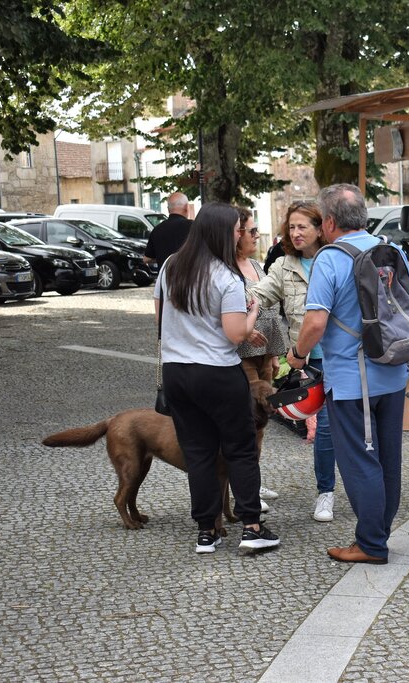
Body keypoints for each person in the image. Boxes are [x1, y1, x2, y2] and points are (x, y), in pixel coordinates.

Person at [288, 183, 409, 564]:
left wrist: (298, 355)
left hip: (351, 380)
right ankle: (379, 534)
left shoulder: (330, 259)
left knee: (360, 461)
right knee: (388, 460)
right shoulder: (391, 250)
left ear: (329, 222)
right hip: (393, 373)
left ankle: (371, 544)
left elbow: (316, 322)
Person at [154, 201, 279, 554]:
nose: (240, 236)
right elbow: (236, 334)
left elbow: (160, 321)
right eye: (237, 231)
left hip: (177, 373)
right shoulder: (225, 276)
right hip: (218, 373)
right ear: (222, 233)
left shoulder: (171, 266)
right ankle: (252, 527)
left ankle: (206, 532)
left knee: (198, 452)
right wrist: (253, 311)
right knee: (240, 450)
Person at [250, 201, 337, 522]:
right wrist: (232, 311)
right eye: (291, 227)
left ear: (320, 228)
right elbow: (258, 296)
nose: (296, 233)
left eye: (303, 226)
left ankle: (355, 488)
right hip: (311, 362)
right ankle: (326, 492)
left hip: (345, 357)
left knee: (344, 426)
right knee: (324, 426)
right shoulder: (284, 266)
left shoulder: (337, 258)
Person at [235, 206, 288, 506]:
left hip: (264, 353)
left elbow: (270, 311)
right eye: (252, 231)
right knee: (245, 420)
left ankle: (253, 478)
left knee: (261, 421)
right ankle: (244, 485)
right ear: (236, 234)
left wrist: (274, 354)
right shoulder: (225, 269)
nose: (257, 235)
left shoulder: (256, 265)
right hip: (241, 353)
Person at [144, 192, 192, 266]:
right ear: (186, 207)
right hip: (190, 272)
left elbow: (146, 259)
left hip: (166, 272)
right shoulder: (194, 227)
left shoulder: (157, 229)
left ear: (168, 209)